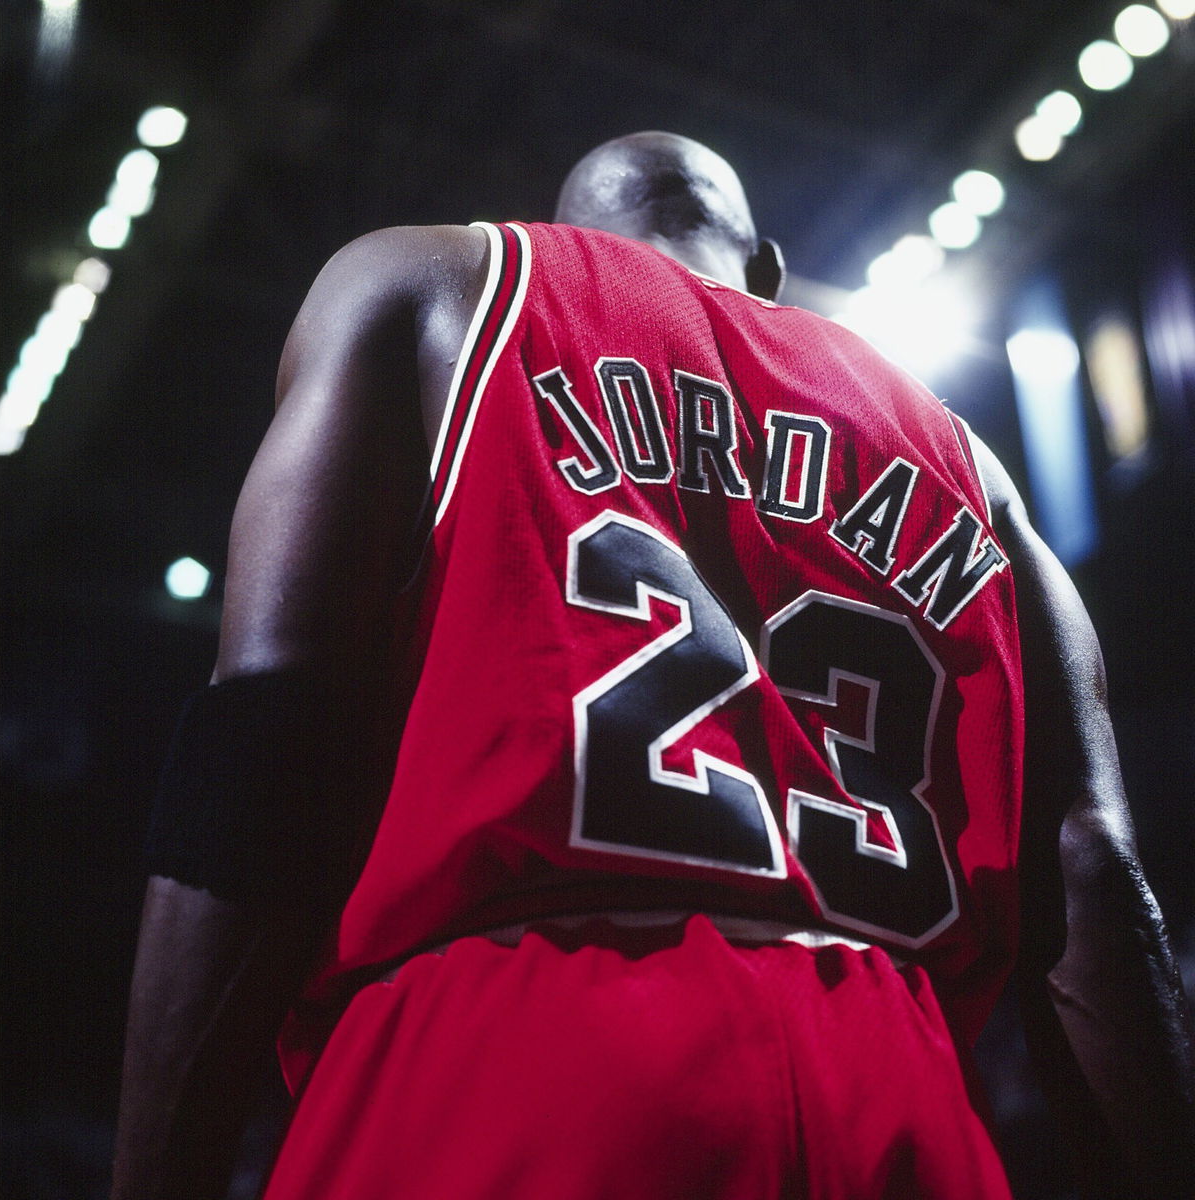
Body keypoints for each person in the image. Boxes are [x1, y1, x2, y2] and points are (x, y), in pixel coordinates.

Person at [112, 132, 1193, 1199]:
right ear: (767, 270)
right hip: (894, 1077)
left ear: (567, 232)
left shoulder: (437, 283)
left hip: (518, 1043)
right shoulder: (975, 469)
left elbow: (262, 740)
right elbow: (1094, 873)